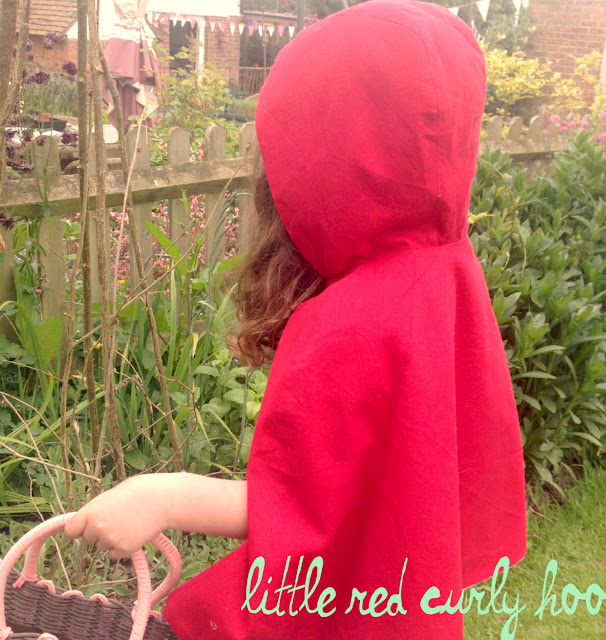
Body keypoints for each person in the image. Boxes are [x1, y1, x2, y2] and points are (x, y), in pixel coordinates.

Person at [65, 1, 528, 638]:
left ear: (330, 160)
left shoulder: (350, 324)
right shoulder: (447, 269)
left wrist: (160, 496)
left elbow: (296, 508)